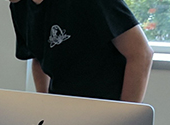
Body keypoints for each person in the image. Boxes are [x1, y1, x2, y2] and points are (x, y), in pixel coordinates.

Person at [9, 0, 153, 102]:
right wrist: (44, 104)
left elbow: (142, 53)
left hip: (104, 107)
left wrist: (125, 117)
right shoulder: (20, 6)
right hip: (65, 109)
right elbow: (37, 56)